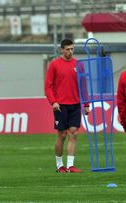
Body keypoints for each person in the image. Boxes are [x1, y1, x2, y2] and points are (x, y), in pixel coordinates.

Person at [45, 39, 90, 173]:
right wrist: (53, 102)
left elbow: (83, 86)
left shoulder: (79, 65)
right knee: (62, 135)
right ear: (62, 50)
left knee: (74, 133)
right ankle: (60, 165)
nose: (70, 51)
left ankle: (70, 165)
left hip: (75, 104)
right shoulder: (54, 65)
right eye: (68, 49)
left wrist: (86, 104)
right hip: (60, 105)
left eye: (72, 49)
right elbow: (48, 86)